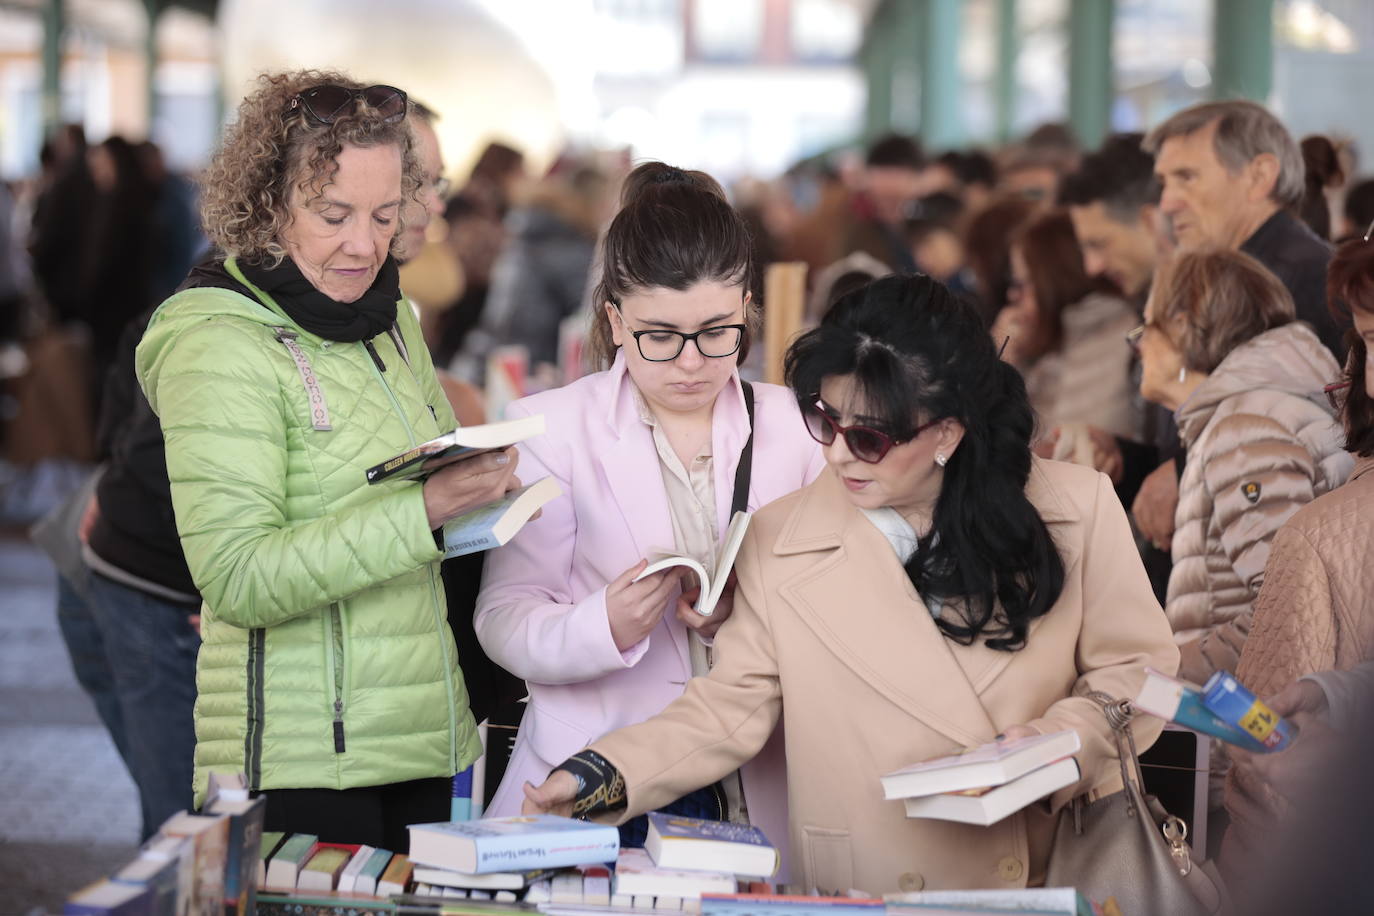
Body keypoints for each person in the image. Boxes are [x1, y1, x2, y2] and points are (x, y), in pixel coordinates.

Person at [522, 273, 1179, 894]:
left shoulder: (1078, 509)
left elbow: (1137, 672)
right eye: (824, 421)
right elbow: (728, 711)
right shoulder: (780, 537)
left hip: (1037, 874)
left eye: (867, 437)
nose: (835, 454)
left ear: (949, 429)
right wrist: (602, 776)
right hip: (861, 888)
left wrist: (1056, 743)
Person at [134, 70, 512, 850]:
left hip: (417, 735)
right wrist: (422, 512)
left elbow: (424, 483)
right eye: (334, 214)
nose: (365, 244)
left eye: (384, 214)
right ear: (269, 204)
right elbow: (237, 576)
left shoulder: (388, 318)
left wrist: (482, 488)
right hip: (303, 760)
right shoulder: (217, 343)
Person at [473, 163, 827, 858]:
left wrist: (743, 617)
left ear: (747, 310)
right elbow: (502, 615)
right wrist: (598, 624)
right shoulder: (553, 429)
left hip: (757, 777)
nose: (690, 363)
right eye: (659, 336)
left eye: (717, 332)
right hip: (594, 775)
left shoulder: (796, 429)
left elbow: (839, 607)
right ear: (613, 319)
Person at [1223, 236, 1374, 873]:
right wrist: (1333, 695)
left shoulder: (1324, 535)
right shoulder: (1324, 532)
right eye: (1368, 340)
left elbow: (1268, 806)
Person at [1133, 249, 1351, 686]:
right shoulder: (1251, 415)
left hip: (1258, 723)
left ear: (1179, 324)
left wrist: (1166, 676)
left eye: (1144, 328)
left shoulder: (1244, 431)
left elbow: (1285, 609)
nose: (1137, 345)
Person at [1146, 100, 1345, 359]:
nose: (1167, 203)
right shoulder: (1247, 275)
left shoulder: (1306, 283)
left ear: (1259, 177)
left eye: (1186, 177)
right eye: (1164, 183)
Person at [992, 209, 1141, 444]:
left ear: (1055, 281)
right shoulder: (1061, 345)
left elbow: (1040, 451)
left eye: (1022, 283)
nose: (1012, 296)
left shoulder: (1115, 338)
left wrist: (999, 369)